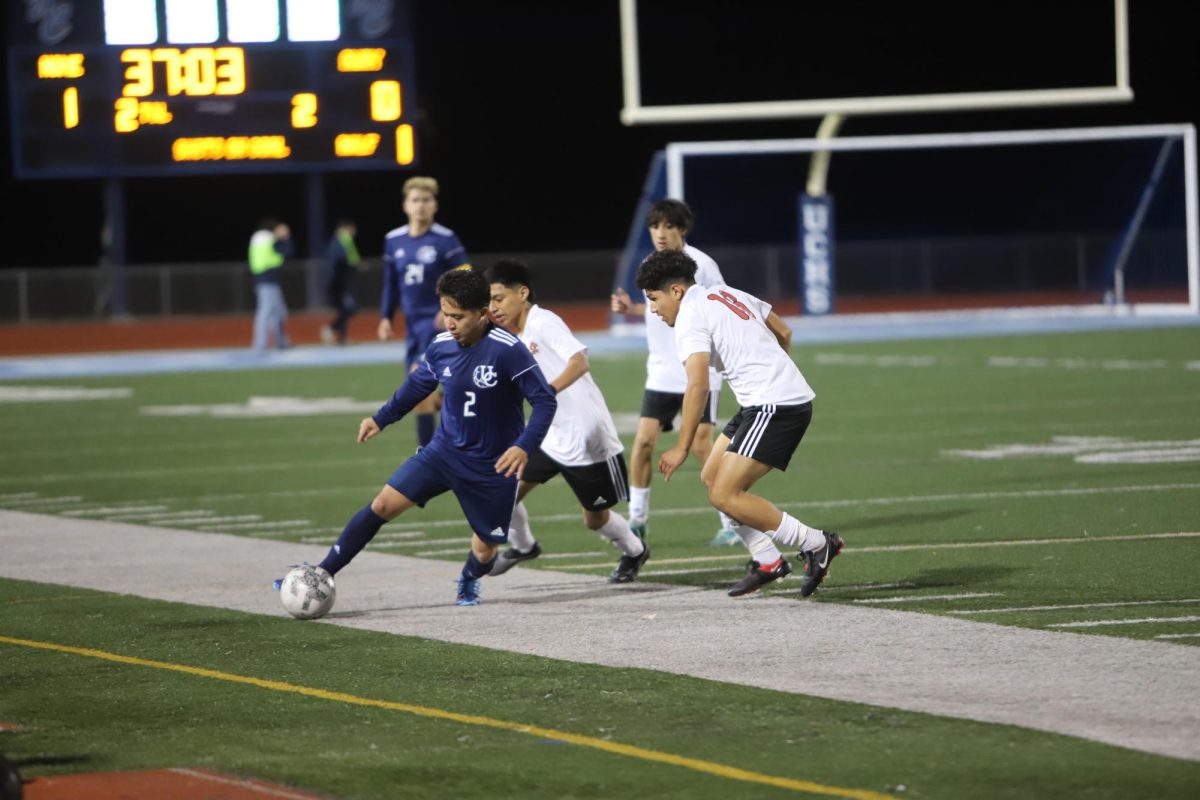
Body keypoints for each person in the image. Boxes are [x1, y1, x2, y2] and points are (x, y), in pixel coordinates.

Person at [279, 269, 557, 606]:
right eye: (445, 313)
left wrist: (522, 446)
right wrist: (381, 418)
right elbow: (417, 387)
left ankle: (469, 576)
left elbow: (545, 401)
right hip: (443, 453)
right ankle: (322, 573)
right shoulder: (441, 346)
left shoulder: (508, 350)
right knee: (381, 505)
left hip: (492, 467)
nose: (449, 323)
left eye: (458, 316)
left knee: (485, 550)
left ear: (483, 313)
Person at [635, 249, 844, 598]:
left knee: (724, 493)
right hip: (764, 401)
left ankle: (817, 543)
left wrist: (682, 447)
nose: (653, 310)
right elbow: (784, 330)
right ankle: (768, 560)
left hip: (773, 405)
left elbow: (698, 385)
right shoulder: (725, 292)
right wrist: (772, 370)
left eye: (654, 299)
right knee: (712, 478)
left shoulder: (689, 316)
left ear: (675, 291)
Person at [484, 260, 650, 583]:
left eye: (499, 298)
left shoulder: (544, 322)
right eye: (489, 301)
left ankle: (635, 550)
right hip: (548, 435)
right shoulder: (510, 336)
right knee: (503, 491)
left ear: (523, 292)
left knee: (595, 519)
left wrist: (548, 392)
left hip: (589, 438)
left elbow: (580, 361)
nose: (494, 307)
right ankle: (524, 546)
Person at [610, 199, 738, 546]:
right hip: (663, 370)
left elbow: (722, 307)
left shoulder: (703, 266)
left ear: (682, 229)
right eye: (655, 227)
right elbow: (659, 307)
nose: (660, 233)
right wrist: (632, 308)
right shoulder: (650, 263)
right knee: (643, 443)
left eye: (668, 226)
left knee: (700, 446)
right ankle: (637, 520)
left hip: (699, 369)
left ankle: (731, 521)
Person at [379, 176, 473, 448]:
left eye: (426, 200)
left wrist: (450, 311)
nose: (420, 206)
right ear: (405, 205)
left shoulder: (445, 239)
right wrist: (386, 317)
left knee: (417, 386)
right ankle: (462, 409)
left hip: (439, 327)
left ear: (435, 205)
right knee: (426, 396)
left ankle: (427, 453)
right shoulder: (393, 240)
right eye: (415, 200)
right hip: (412, 327)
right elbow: (391, 284)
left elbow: (465, 278)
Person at [248, 217, 293, 352]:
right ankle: (260, 344)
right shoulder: (264, 237)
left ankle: (280, 341)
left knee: (278, 311)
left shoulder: (261, 237)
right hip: (267, 278)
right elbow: (286, 252)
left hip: (266, 278)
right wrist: (285, 237)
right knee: (266, 311)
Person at [320, 218, 363, 345]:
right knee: (348, 308)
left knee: (346, 308)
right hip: (340, 282)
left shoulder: (344, 242)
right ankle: (333, 330)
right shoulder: (339, 242)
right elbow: (341, 261)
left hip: (344, 281)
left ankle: (341, 337)